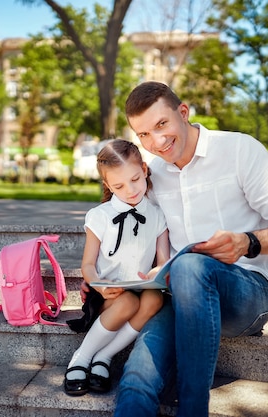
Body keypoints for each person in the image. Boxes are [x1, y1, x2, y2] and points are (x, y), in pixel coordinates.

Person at [107, 81, 268, 416]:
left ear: (183, 112)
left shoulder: (240, 150)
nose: (156, 142)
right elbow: (137, 233)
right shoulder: (153, 173)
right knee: (136, 380)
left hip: (249, 293)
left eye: (162, 125)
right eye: (143, 134)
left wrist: (248, 242)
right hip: (178, 295)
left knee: (190, 266)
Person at [64, 139, 170, 396]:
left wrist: (159, 272)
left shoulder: (157, 215)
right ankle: (81, 357)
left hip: (140, 288)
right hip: (106, 296)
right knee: (127, 303)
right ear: (108, 185)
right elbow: (88, 265)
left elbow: (164, 259)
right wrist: (98, 285)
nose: (131, 190)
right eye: (119, 186)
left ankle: (105, 356)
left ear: (144, 169)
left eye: (135, 179)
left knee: (154, 299)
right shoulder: (99, 216)